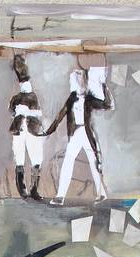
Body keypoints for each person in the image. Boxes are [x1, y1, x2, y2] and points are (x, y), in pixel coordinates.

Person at [45, 69, 113, 205]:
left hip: (87, 133)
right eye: (77, 77)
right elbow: (61, 114)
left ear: (86, 81)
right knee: (68, 161)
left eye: (81, 77)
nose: (79, 80)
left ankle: (101, 194)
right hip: (76, 133)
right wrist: (49, 131)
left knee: (94, 162)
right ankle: (60, 196)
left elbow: (107, 105)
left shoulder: (89, 99)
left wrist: (104, 86)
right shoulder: (72, 98)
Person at [8, 54, 46, 200]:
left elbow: (38, 113)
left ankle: (34, 189)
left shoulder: (32, 97)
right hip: (19, 130)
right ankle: (22, 190)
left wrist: (26, 112)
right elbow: (11, 112)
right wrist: (19, 113)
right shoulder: (16, 98)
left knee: (36, 159)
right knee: (19, 159)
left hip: (31, 130)